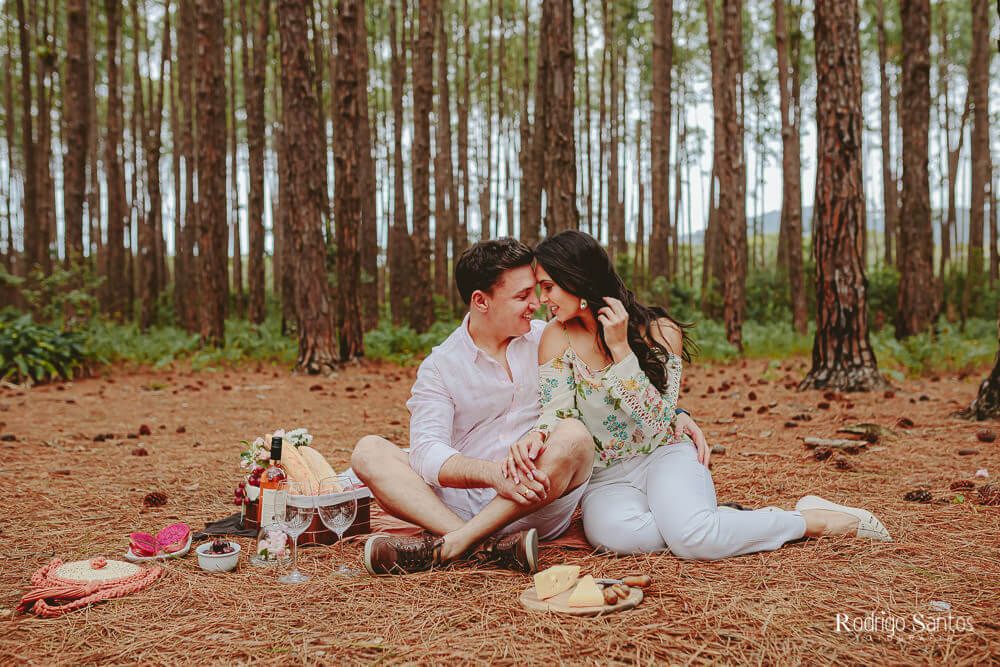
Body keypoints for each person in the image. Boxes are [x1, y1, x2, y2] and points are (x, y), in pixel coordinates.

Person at [505, 230, 890, 559]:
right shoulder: (556, 336)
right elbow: (557, 414)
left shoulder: (659, 331)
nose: (542, 300)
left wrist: (622, 351)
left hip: (663, 453)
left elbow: (658, 420)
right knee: (618, 538)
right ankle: (704, 518)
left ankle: (812, 519)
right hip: (605, 477)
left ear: (578, 281)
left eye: (548, 286)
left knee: (694, 540)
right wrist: (536, 437)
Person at [351, 238, 708, 575]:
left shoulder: (552, 335)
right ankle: (481, 545)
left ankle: (454, 545)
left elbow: (610, 382)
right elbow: (427, 452)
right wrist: (490, 474)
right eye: (523, 296)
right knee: (368, 452)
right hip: (456, 505)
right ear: (481, 301)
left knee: (574, 436)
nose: (536, 303)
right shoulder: (441, 366)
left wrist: (676, 413)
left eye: (537, 291)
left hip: (537, 494)